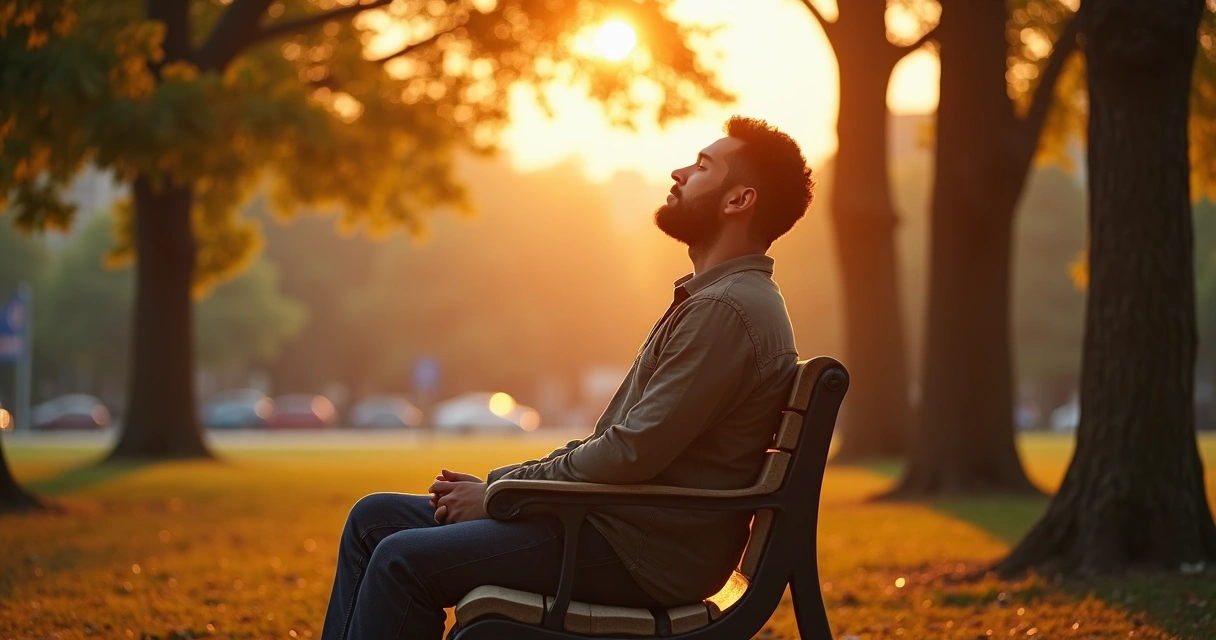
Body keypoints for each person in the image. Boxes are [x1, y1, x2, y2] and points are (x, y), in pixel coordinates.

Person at [322, 115, 815, 639]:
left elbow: (629, 453)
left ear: (738, 200)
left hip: (636, 552)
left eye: (700, 166)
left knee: (400, 558)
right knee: (372, 520)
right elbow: (621, 448)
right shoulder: (719, 300)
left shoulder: (726, 311)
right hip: (611, 525)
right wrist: (500, 486)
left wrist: (498, 493)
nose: (677, 172)